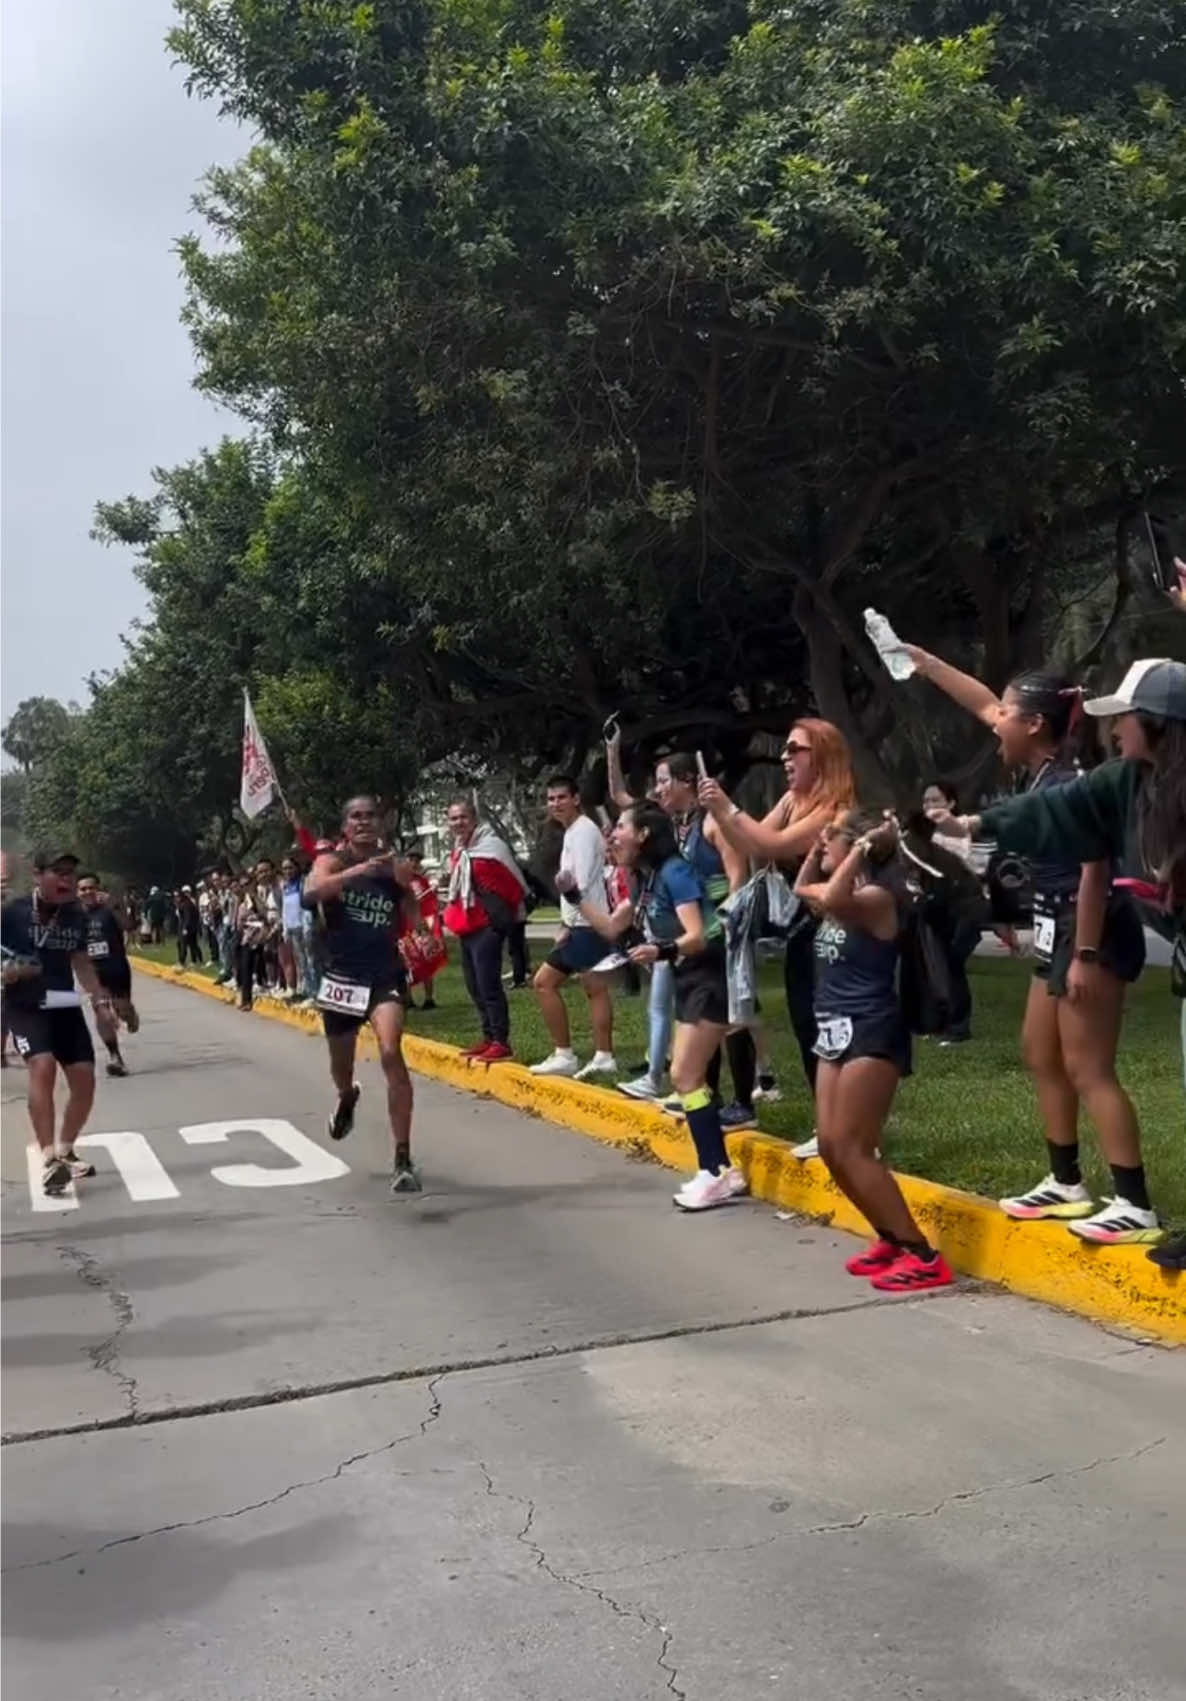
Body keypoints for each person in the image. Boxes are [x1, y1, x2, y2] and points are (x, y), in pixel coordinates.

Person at [934, 657, 1186, 1269]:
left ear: (1156, 723)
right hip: (1076, 937)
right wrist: (973, 822)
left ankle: (1134, 1200)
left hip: (1089, 938)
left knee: (1087, 1066)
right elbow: (995, 726)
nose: (1116, 728)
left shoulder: (1094, 778)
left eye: (1126, 717)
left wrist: (1086, 951)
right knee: (1041, 1052)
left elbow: (1092, 871)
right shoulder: (1127, 779)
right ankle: (1067, 1180)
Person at [558, 801, 745, 1210]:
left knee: (684, 1075)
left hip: (708, 977)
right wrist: (573, 895)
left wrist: (661, 950)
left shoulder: (676, 874)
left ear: (643, 835)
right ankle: (718, 1168)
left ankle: (716, 1172)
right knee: (687, 1078)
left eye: (621, 827)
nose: (613, 835)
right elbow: (609, 926)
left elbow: (697, 934)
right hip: (688, 978)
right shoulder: (646, 879)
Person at [795, 813, 954, 1291]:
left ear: (860, 847)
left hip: (872, 1029)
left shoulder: (879, 899)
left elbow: (832, 895)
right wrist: (817, 852)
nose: (823, 844)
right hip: (833, 1029)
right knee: (829, 1146)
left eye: (831, 840)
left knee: (855, 1147)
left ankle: (923, 1255)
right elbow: (806, 891)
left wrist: (863, 843)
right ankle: (888, 1235)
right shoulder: (840, 898)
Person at [698, 718, 859, 1157]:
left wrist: (727, 808)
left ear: (822, 755)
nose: (785, 757)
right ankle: (829, 1127)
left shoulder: (834, 810)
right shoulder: (793, 800)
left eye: (795, 749)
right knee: (809, 1025)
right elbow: (750, 844)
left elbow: (772, 844)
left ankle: (852, 1132)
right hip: (806, 928)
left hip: (841, 931)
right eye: (786, 750)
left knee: (833, 1029)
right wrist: (718, 812)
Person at [607, 738, 761, 1124]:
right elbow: (622, 798)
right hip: (689, 935)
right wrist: (612, 754)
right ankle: (704, 1093)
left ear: (688, 780)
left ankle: (743, 1102)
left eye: (663, 781)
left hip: (719, 929)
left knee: (732, 1017)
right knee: (697, 1020)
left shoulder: (713, 822)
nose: (658, 789)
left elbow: (738, 873)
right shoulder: (674, 824)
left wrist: (729, 923)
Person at [303, 795, 422, 1193]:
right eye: (356, 816)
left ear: (381, 822)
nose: (364, 822)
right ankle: (346, 1096)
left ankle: (403, 1156)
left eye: (371, 815)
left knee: (391, 1051)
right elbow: (312, 892)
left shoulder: (394, 865)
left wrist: (414, 912)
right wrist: (357, 873)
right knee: (342, 1064)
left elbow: (413, 912)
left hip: (382, 974)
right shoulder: (332, 861)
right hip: (340, 977)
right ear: (345, 826)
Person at [1, 850, 114, 1196]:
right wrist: (11, 972)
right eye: (58, 873)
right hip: (24, 1004)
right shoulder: (13, 913)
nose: (66, 880)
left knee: (84, 1080)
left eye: (71, 873)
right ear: (38, 876)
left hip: (63, 1003)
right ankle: (49, 1158)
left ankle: (66, 1149)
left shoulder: (75, 915)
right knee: (42, 1065)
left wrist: (99, 1001)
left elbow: (80, 961)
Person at [530, 776, 620, 1079]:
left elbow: (576, 885)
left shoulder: (582, 833)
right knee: (583, 987)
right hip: (580, 923)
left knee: (560, 984)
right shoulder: (573, 832)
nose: (556, 804)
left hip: (587, 924)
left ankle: (582, 1055)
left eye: (561, 797)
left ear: (576, 799)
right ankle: (588, 1054)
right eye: (551, 799)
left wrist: (568, 925)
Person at [443, 799, 527, 1060]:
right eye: (454, 818)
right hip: (466, 926)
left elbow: (514, 884)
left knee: (488, 984)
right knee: (473, 985)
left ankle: (501, 1041)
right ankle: (488, 1035)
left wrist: (501, 914)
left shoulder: (492, 847)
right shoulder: (459, 850)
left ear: (474, 818)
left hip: (487, 925)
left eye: (463, 817)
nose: (459, 823)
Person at [910, 786, 990, 1044]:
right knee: (938, 965)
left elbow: (957, 867)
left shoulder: (955, 834)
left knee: (953, 964)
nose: (929, 805)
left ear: (952, 803)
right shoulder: (925, 836)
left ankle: (959, 1027)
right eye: (925, 801)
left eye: (936, 800)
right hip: (942, 907)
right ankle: (938, 1022)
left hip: (966, 906)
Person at [77, 872, 139, 1076]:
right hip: (94, 974)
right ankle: (115, 1057)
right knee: (102, 1013)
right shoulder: (74, 916)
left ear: (98, 889)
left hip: (117, 969)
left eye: (90, 888)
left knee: (122, 1010)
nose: (87, 892)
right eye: (82, 889)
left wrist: (114, 904)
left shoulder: (109, 909)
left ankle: (130, 1015)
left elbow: (129, 926)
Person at [403, 849, 443, 1011]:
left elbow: (430, 903)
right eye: (411, 859)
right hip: (404, 927)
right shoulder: (399, 882)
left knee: (426, 960)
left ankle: (428, 998)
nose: (414, 863)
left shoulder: (422, 881)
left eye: (417, 860)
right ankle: (408, 999)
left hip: (421, 927)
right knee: (407, 962)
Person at [278, 855, 314, 1002]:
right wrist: (285, 929)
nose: (287, 871)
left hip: (304, 928)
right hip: (292, 929)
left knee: (311, 961)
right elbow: (285, 910)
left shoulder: (303, 883)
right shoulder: (286, 886)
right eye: (285, 868)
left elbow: (306, 907)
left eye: (290, 867)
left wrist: (307, 927)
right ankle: (305, 989)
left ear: (297, 868)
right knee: (301, 962)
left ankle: (314, 992)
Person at [176, 885, 203, 967]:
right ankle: (197, 960)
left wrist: (185, 928)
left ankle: (182, 962)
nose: (176, 898)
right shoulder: (183, 903)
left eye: (177, 896)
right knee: (192, 944)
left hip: (189, 927)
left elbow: (188, 917)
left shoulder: (187, 903)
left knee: (183, 944)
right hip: (189, 926)